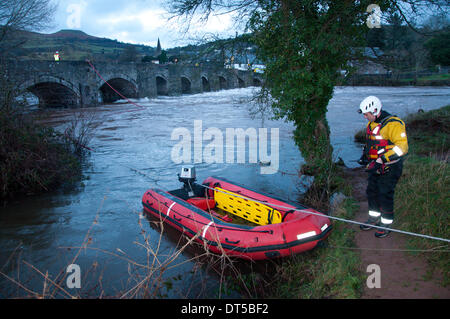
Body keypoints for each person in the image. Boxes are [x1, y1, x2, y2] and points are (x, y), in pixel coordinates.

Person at [357, 96, 408, 238]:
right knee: (371, 191)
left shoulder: (394, 124)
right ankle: (374, 218)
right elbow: (370, 144)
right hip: (375, 166)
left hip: (390, 166)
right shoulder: (371, 124)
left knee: (385, 194)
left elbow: (402, 148)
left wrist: (381, 160)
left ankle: (386, 224)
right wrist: (365, 157)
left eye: (367, 114)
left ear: (375, 110)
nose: (365, 117)